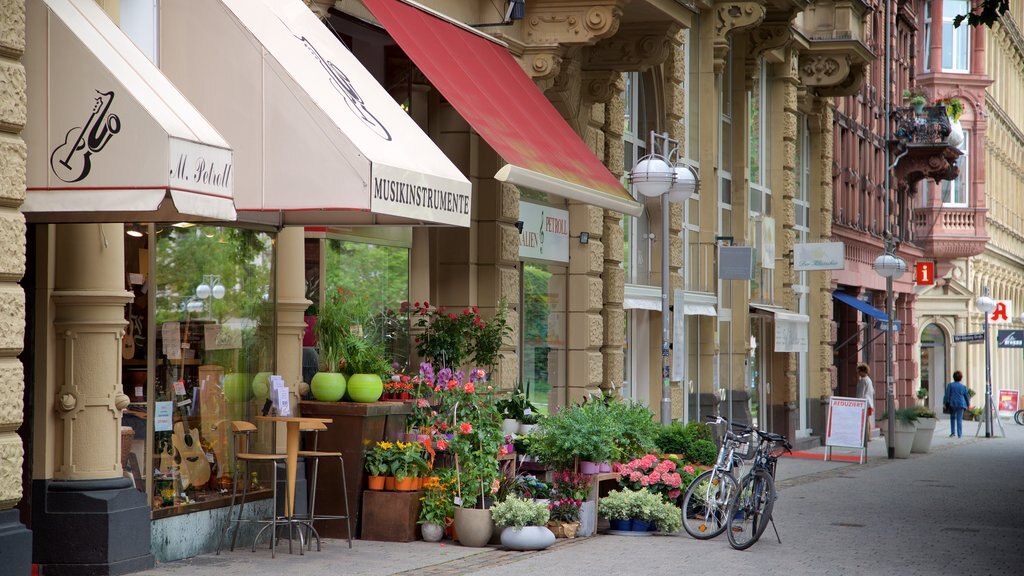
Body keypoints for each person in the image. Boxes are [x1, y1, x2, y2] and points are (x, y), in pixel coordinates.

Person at [943, 370, 971, 438]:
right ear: (961, 378)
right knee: (959, 418)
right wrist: (968, 404)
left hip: (952, 403)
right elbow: (966, 396)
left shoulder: (950, 385)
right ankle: (959, 434)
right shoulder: (963, 387)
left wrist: (944, 402)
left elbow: (947, 395)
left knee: (952, 418)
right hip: (961, 403)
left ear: (953, 377)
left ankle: (953, 432)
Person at [856, 364, 875, 445]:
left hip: (864, 403)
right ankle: (869, 436)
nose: (858, 373)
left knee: (865, 420)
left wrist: (857, 402)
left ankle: (866, 437)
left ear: (863, 371)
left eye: (859, 371)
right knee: (868, 420)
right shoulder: (869, 380)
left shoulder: (863, 380)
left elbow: (860, 393)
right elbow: (873, 392)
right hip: (869, 403)